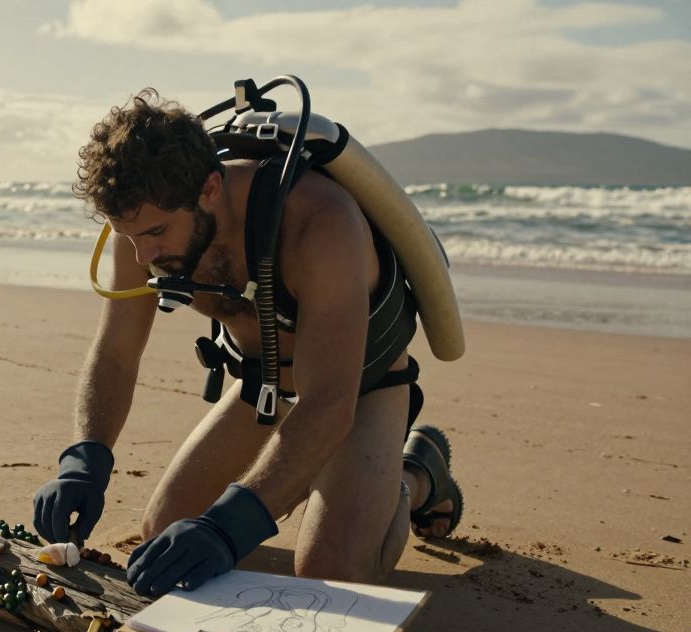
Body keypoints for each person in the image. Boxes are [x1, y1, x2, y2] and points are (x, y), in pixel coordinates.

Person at [31, 90, 464, 597]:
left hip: (359, 386)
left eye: (155, 233)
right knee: (165, 530)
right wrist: (86, 456)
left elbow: (329, 404)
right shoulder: (140, 226)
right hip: (263, 383)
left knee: (332, 571)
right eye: (127, 236)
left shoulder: (318, 224)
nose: (142, 254)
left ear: (210, 188)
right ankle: (318, 477)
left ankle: (412, 476)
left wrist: (228, 527)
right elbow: (117, 352)